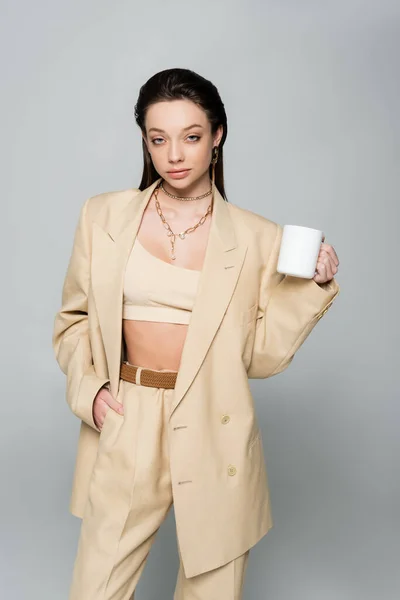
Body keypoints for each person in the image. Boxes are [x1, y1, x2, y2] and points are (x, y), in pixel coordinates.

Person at [52, 67, 340, 600]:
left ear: (217, 136)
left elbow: (259, 356)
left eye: (191, 137)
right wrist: (91, 395)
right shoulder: (103, 217)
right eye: (158, 139)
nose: (174, 155)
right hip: (126, 413)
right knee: (96, 587)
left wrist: (311, 289)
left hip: (213, 419)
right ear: (145, 141)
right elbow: (74, 322)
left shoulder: (258, 237)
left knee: (212, 590)